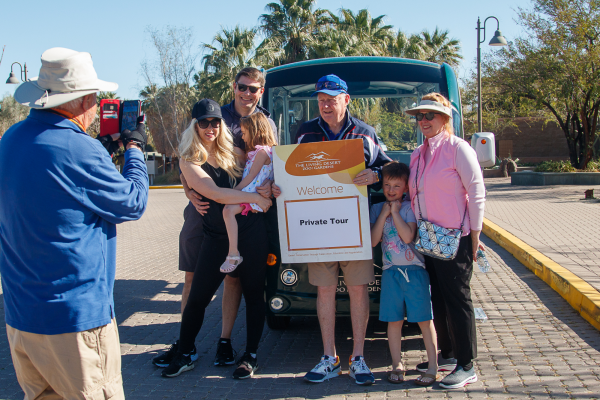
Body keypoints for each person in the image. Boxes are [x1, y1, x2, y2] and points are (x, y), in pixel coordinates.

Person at [0, 47, 149, 399]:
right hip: (74, 321)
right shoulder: (79, 149)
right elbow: (133, 202)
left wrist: (99, 148)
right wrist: (135, 149)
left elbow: (55, 181)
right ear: (79, 101)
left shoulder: (11, 140)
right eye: (95, 98)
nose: (99, 106)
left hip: (22, 316)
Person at [155, 67, 277, 369]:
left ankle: (249, 355)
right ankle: (185, 351)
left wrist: (270, 189)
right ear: (194, 126)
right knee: (197, 294)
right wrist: (256, 198)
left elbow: (262, 168)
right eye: (204, 123)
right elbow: (218, 194)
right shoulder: (188, 159)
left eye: (214, 122)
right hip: (214, 233)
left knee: (252, 293)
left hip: (249, 229)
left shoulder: (233, 151)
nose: (210, 127)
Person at [275, 74, 390, 385]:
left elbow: (390, 168)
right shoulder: (305, 132)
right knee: (324, 291)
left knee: (357, 290)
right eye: (321, 99)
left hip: (354, 228)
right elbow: (289, 172)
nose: (326, 104)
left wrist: (375, 175)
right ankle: (329, 357)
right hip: (317, 230)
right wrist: (277, 186)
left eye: (332, 99)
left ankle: (359, 358)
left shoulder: (365, 133)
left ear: (346, 100)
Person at [405, 93, 485, 389]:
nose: (423, 121)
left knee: (458, 299)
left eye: (430, 115)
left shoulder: (457, 149)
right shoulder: (418, 153)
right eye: (419, 116)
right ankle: (449, 354)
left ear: (444, 119)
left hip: (456, 238)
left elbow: (476, 192)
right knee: (437, 296)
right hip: (429, 238)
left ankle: (467, 364)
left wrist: (474, 235)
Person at [369, 161, 438, 386]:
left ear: (406, 188)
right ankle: (396, 364)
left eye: (396, 186)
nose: (390, 190)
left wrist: (396, 213)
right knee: (394, 320)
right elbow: (372, 241)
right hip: (391, 273)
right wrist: (384, 215)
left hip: (416, 272)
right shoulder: (377, 209)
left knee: (424, 321)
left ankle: (433, 365)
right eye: (387, 184)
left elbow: (408, 236)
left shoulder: (410, 208)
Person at [221, 113, 277, 273]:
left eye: (244, 133)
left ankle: (233, 253)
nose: (243, 137)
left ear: (256, 132)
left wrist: (235, 192)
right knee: (228, 211)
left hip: (252, 194)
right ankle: (233, 252)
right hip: (253, 194)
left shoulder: (262, 152)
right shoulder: (263, 151)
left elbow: (251, 176)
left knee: (228, 210)